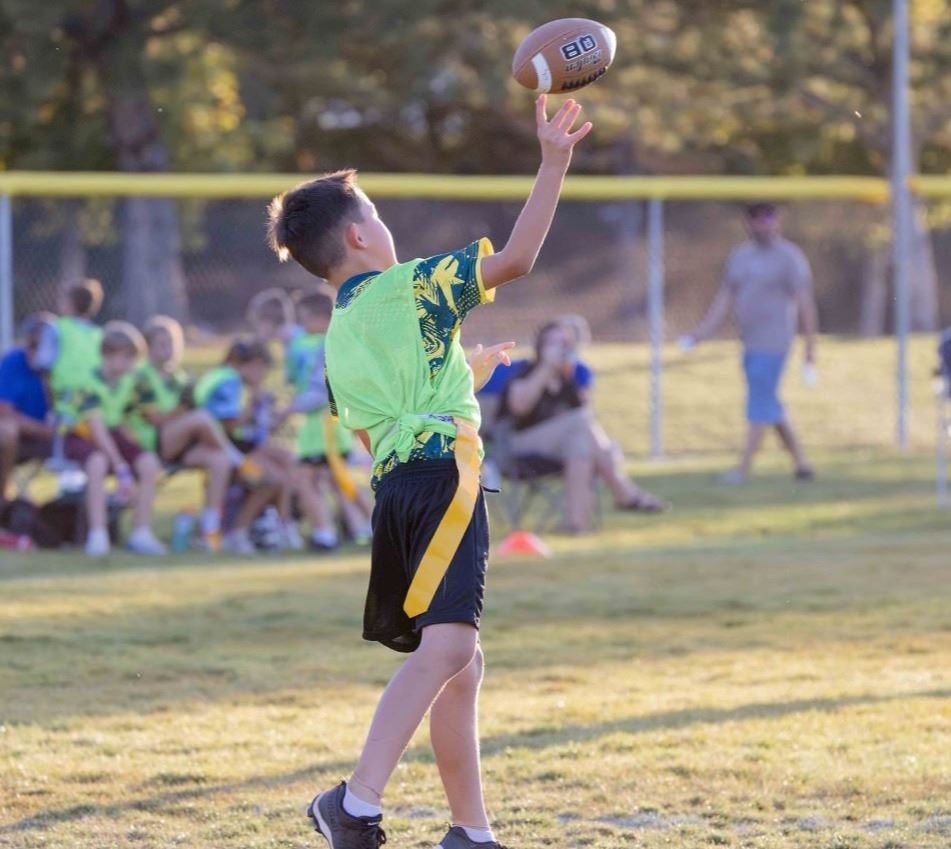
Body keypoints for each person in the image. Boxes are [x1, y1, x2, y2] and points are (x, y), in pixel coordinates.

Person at [267, 94, 591, 849]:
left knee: (461, 662)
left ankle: (470, 832)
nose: (386, 226)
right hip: (444, 480)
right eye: (376, 214)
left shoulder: (340, 329)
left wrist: (461, 375)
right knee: (447, 650)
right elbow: (515, 260)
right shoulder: (413, 285)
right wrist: (552, 163)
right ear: (357, 233)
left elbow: (392, 410)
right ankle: (352, 801)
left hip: (400, 491)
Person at [682, 202, 818, 483]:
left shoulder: (789, 257)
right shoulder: (740, 257)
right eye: (756, 219)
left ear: (777, 221)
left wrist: (810, 348)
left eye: (767, 218)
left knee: (759, 403)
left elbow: (805, 304)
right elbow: (725, 297)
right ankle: (801, 463)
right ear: (748, 223)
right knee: (769, 403)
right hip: (750, 342)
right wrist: (702, 332)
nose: (762, 224)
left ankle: (741, 469)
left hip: (775, 342)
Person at [499, 320, 668, 532]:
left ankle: (574, 524)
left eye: (563, 343)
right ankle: (624, 492)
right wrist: (545, 369)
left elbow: (587, 416)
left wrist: (570, 378)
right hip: (518, 446)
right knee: (579, 424)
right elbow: (519, 408)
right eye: (552, 343)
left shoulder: (570, 380)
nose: (558, 348)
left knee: (580, 444)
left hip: (563, 449)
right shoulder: (525, 372)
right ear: (540, 346)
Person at [129, 316, 263, 551]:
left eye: (172, 343)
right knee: (201, 418)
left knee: (218, 461)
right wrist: (182, 411)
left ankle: (209, 532)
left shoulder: (179, 377)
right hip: (155, 443)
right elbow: (154, 419)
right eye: (162, 344)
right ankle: (236, 457)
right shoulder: (142, 377)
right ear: (148, 347)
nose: (168, 349)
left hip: (183, 444)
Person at [193, 338, 335, 553]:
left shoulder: (252, 390)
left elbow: (260, 433)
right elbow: (230, 426)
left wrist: (274, 415)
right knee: (271, 479)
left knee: (289, 461)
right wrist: (252, 409)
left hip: (245, 450)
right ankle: (237, 532)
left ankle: (284, 523)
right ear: (250, 365)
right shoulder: (231, 385)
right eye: (261, 368)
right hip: (230, 453)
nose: (263, 375)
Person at [278, 288, 374, 545]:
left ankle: (324, 532)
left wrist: (291, 408)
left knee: (304, 479)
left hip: (322, 429)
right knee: (338, 480)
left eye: (304, 318)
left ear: (320, 317)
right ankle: (365, 528)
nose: (301, 324)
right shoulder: (327, 342)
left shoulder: (324, 345)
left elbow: (320, 390)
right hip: (328, 426)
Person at [65, 322, 166, 556]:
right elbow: (98, 431)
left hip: (113, 432)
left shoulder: (131, 380)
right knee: (98, 463)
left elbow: (134, 418)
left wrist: (136, 449)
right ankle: (98, 535)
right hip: (83, 435)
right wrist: (122, 469)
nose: (130, 364)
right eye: (126, 357)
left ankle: (141, 532)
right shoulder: (87, 383)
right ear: (107, 355)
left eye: (133, 357)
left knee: (149, 463)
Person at [0, 314, 58, 503]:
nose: (37, 350)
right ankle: (3, 499)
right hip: (22, 434)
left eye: (43, 344)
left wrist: (47, 376)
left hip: (55, 435)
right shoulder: (14, 361)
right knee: (6, 431)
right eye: (33, 344)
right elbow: (5, 412)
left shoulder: (60, 366)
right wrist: (44, 431)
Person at [49, 278, 105, 416]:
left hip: (66, 392)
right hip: (93, 392)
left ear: (69, 304)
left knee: (64, 428)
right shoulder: (99, 333)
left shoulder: (58, 327)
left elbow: (45, 359)